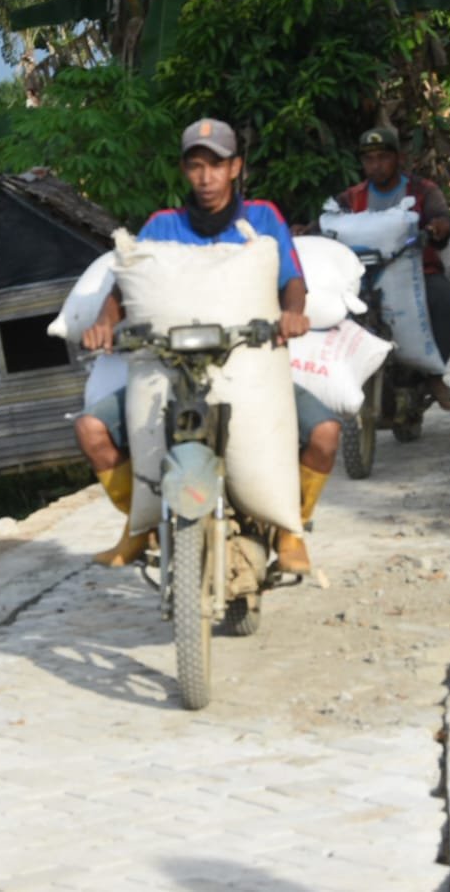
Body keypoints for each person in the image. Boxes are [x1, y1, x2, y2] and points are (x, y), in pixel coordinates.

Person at [76, 118, 341, 575]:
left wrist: (293, 312)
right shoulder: (163, 225)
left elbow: (292, 280)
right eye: (195, 167)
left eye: (216, 166)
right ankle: (140, 529)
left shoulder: (262, 218)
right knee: (91, 429)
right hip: (169, 372)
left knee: (325, 434)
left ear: (235, 167)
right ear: (184, 171)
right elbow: (126, 287)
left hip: (249, 371)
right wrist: (104, 322)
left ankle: (292, 529)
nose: (205, 178)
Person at [335, 125, 450, 412]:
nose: (376, 165)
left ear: (398, 158)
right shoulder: (352, 198)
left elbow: (441, 217)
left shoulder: (423, 191)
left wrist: (437, 227)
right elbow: (328, 220)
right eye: (369, 159)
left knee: (444, 301)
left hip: (418, 276)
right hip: (365, 277)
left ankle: (434, 377)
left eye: (383, 157)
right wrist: (304, 230)